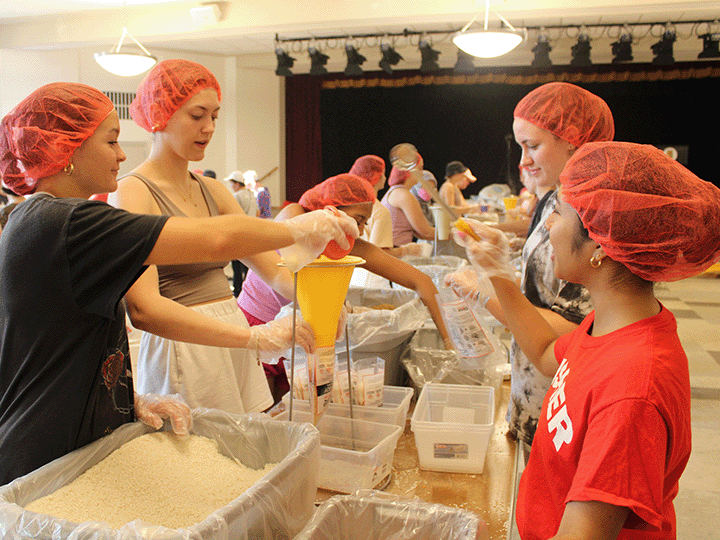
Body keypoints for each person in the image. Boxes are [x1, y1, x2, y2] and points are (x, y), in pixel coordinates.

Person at [0, 82, 354, 485]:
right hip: (43, 449)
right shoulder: (62, 223)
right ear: (68, 150)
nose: (121, 154)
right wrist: (302, 227)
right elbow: (214, 240)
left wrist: (126, 401)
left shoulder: (59, 221)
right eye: (111, 141)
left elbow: (61, 340)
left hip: (72, 437)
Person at [453, 141, 720, 539]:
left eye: (558, 213)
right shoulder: (610, 323)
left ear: (599, 243)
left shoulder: (632, 391)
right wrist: (497, 275)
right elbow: (546, 353)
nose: (546, 225)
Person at [108, 59, 357, 416]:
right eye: (197, 116)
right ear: (159, 114)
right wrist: (256, 337)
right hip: (185, 341)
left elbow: (272, 269)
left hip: (233, 328)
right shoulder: (132, 191)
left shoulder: (213, 189)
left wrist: (322, 302)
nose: (208, 128)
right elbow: (144, 307)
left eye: (215, 117)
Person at [445, 82, 614, 449]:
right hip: (531, 388)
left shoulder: (591, 215)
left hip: (560, 404)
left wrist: (489, 289)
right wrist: (503, 255)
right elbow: (544, 291)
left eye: (533, 146)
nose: (522, 162)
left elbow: (575, 328)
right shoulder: (554, 198)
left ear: (574, 141)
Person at [238, 173, 454, 401]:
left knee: (296, 410)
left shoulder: (346, 242)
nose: (360, 230)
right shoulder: (294, 216)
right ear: (330, 208)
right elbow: (282, 278)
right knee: (264, 407)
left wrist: (450, 341)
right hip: (259, 324)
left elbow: (421, 281)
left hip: (300, 335)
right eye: (358, 219)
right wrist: (339, 306)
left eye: (364, 224)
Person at [349, 154, 424, 258]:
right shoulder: (380, 210)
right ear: (377, 177)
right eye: (383, 174)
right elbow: (378, 255)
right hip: (370, 272)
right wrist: (406, 250)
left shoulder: (350, 205)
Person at [380, 155, 435, 246]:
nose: (422, 174)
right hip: (396, 252)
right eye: (420, 169)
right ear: (409, 170)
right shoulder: (404, 195)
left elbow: (421, 233)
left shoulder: (395, 191)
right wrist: (455, 234)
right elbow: (426, 233)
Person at [225, 170, 260, 296]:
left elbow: (233, 215)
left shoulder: (237, 196)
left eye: (231, 183)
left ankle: (238, 290)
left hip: (239, 234)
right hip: (252, 233)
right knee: (249, 266)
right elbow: (257, 213)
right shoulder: (251, 195)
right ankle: (249, 291)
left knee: (236, 266)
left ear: (236, 184)